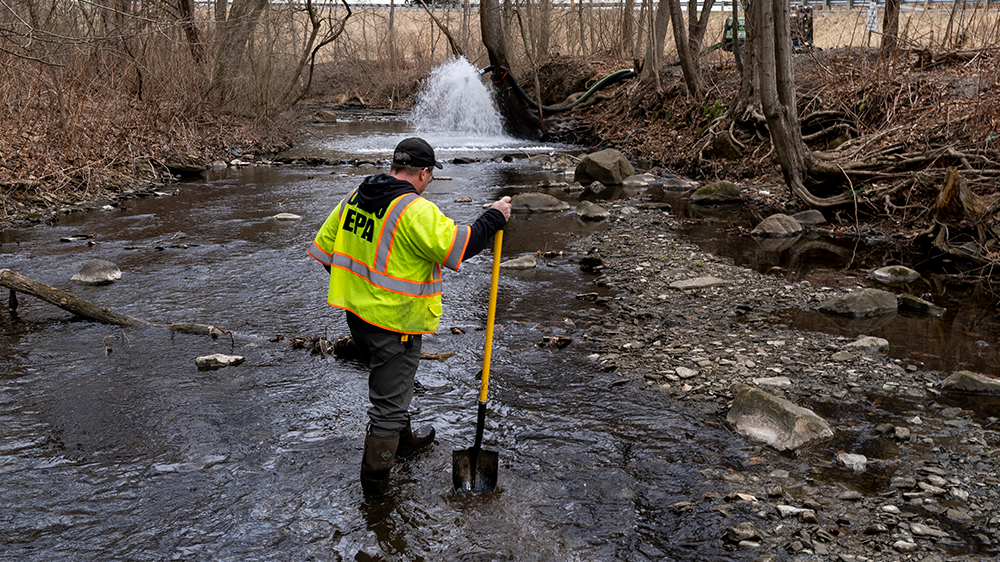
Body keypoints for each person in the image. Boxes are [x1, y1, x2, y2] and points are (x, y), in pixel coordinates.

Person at [308, 137, 512, 497]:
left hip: (358, 317)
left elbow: (325, 252)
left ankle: (404, 444)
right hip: (394, 325)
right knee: (387, 409)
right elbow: (460, 247)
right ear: (424, 172)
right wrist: (494, 217)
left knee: (394, 390)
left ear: (394, 166)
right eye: (430, 176)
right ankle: (376, 492)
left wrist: (362, 291)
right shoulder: (414, 210)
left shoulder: (358, 195)